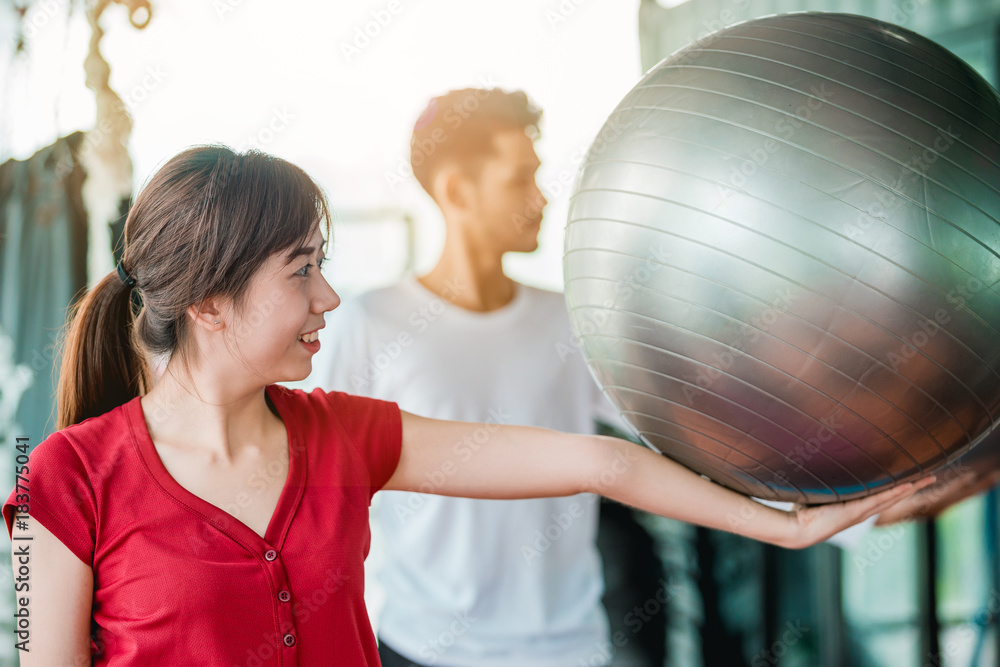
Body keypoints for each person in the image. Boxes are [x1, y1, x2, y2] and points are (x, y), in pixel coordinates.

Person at [3, 145, 930, 667]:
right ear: (207, 301)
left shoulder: (345, 436)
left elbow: (596, 459)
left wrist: (788, 527)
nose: (328, 298)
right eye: (302, 272)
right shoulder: (66, 476)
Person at [307, 87, 656, 667]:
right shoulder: (371, 322)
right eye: (520, 180)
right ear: (456, 190)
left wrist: (818, 502)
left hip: (570, 650)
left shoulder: (571, 320)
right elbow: (323, 499)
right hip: (419, 649)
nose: (542, 198)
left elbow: (680, 436)